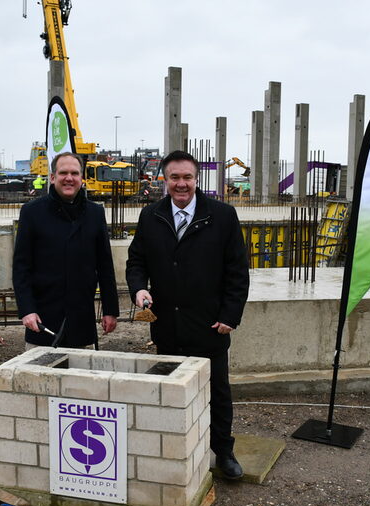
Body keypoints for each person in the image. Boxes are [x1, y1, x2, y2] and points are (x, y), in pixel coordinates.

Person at [126, 150, 250, 480]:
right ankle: (173, 450)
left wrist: (230, 316)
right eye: (174, 178)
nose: (182, 184)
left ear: (197, 179)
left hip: (209, 325)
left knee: (217, 393)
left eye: (187, 178)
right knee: (170, 392)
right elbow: (136, 261)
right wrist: (138, 288)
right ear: (164, 180)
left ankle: (223, 450)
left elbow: (237, 272)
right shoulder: (151, 216)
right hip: (166, 325)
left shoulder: (222, 216)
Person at [13, 152, 118, 349]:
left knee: (82, 377)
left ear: (82, 178)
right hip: (43, 320)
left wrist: (110, 310)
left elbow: (104, 266)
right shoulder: (32, 212)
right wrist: (27, 310)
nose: (69, 178)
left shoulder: (95, 213)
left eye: (74, 173)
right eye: (63, 173)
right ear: (52, 177)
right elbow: (21, 267)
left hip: (81, 318)